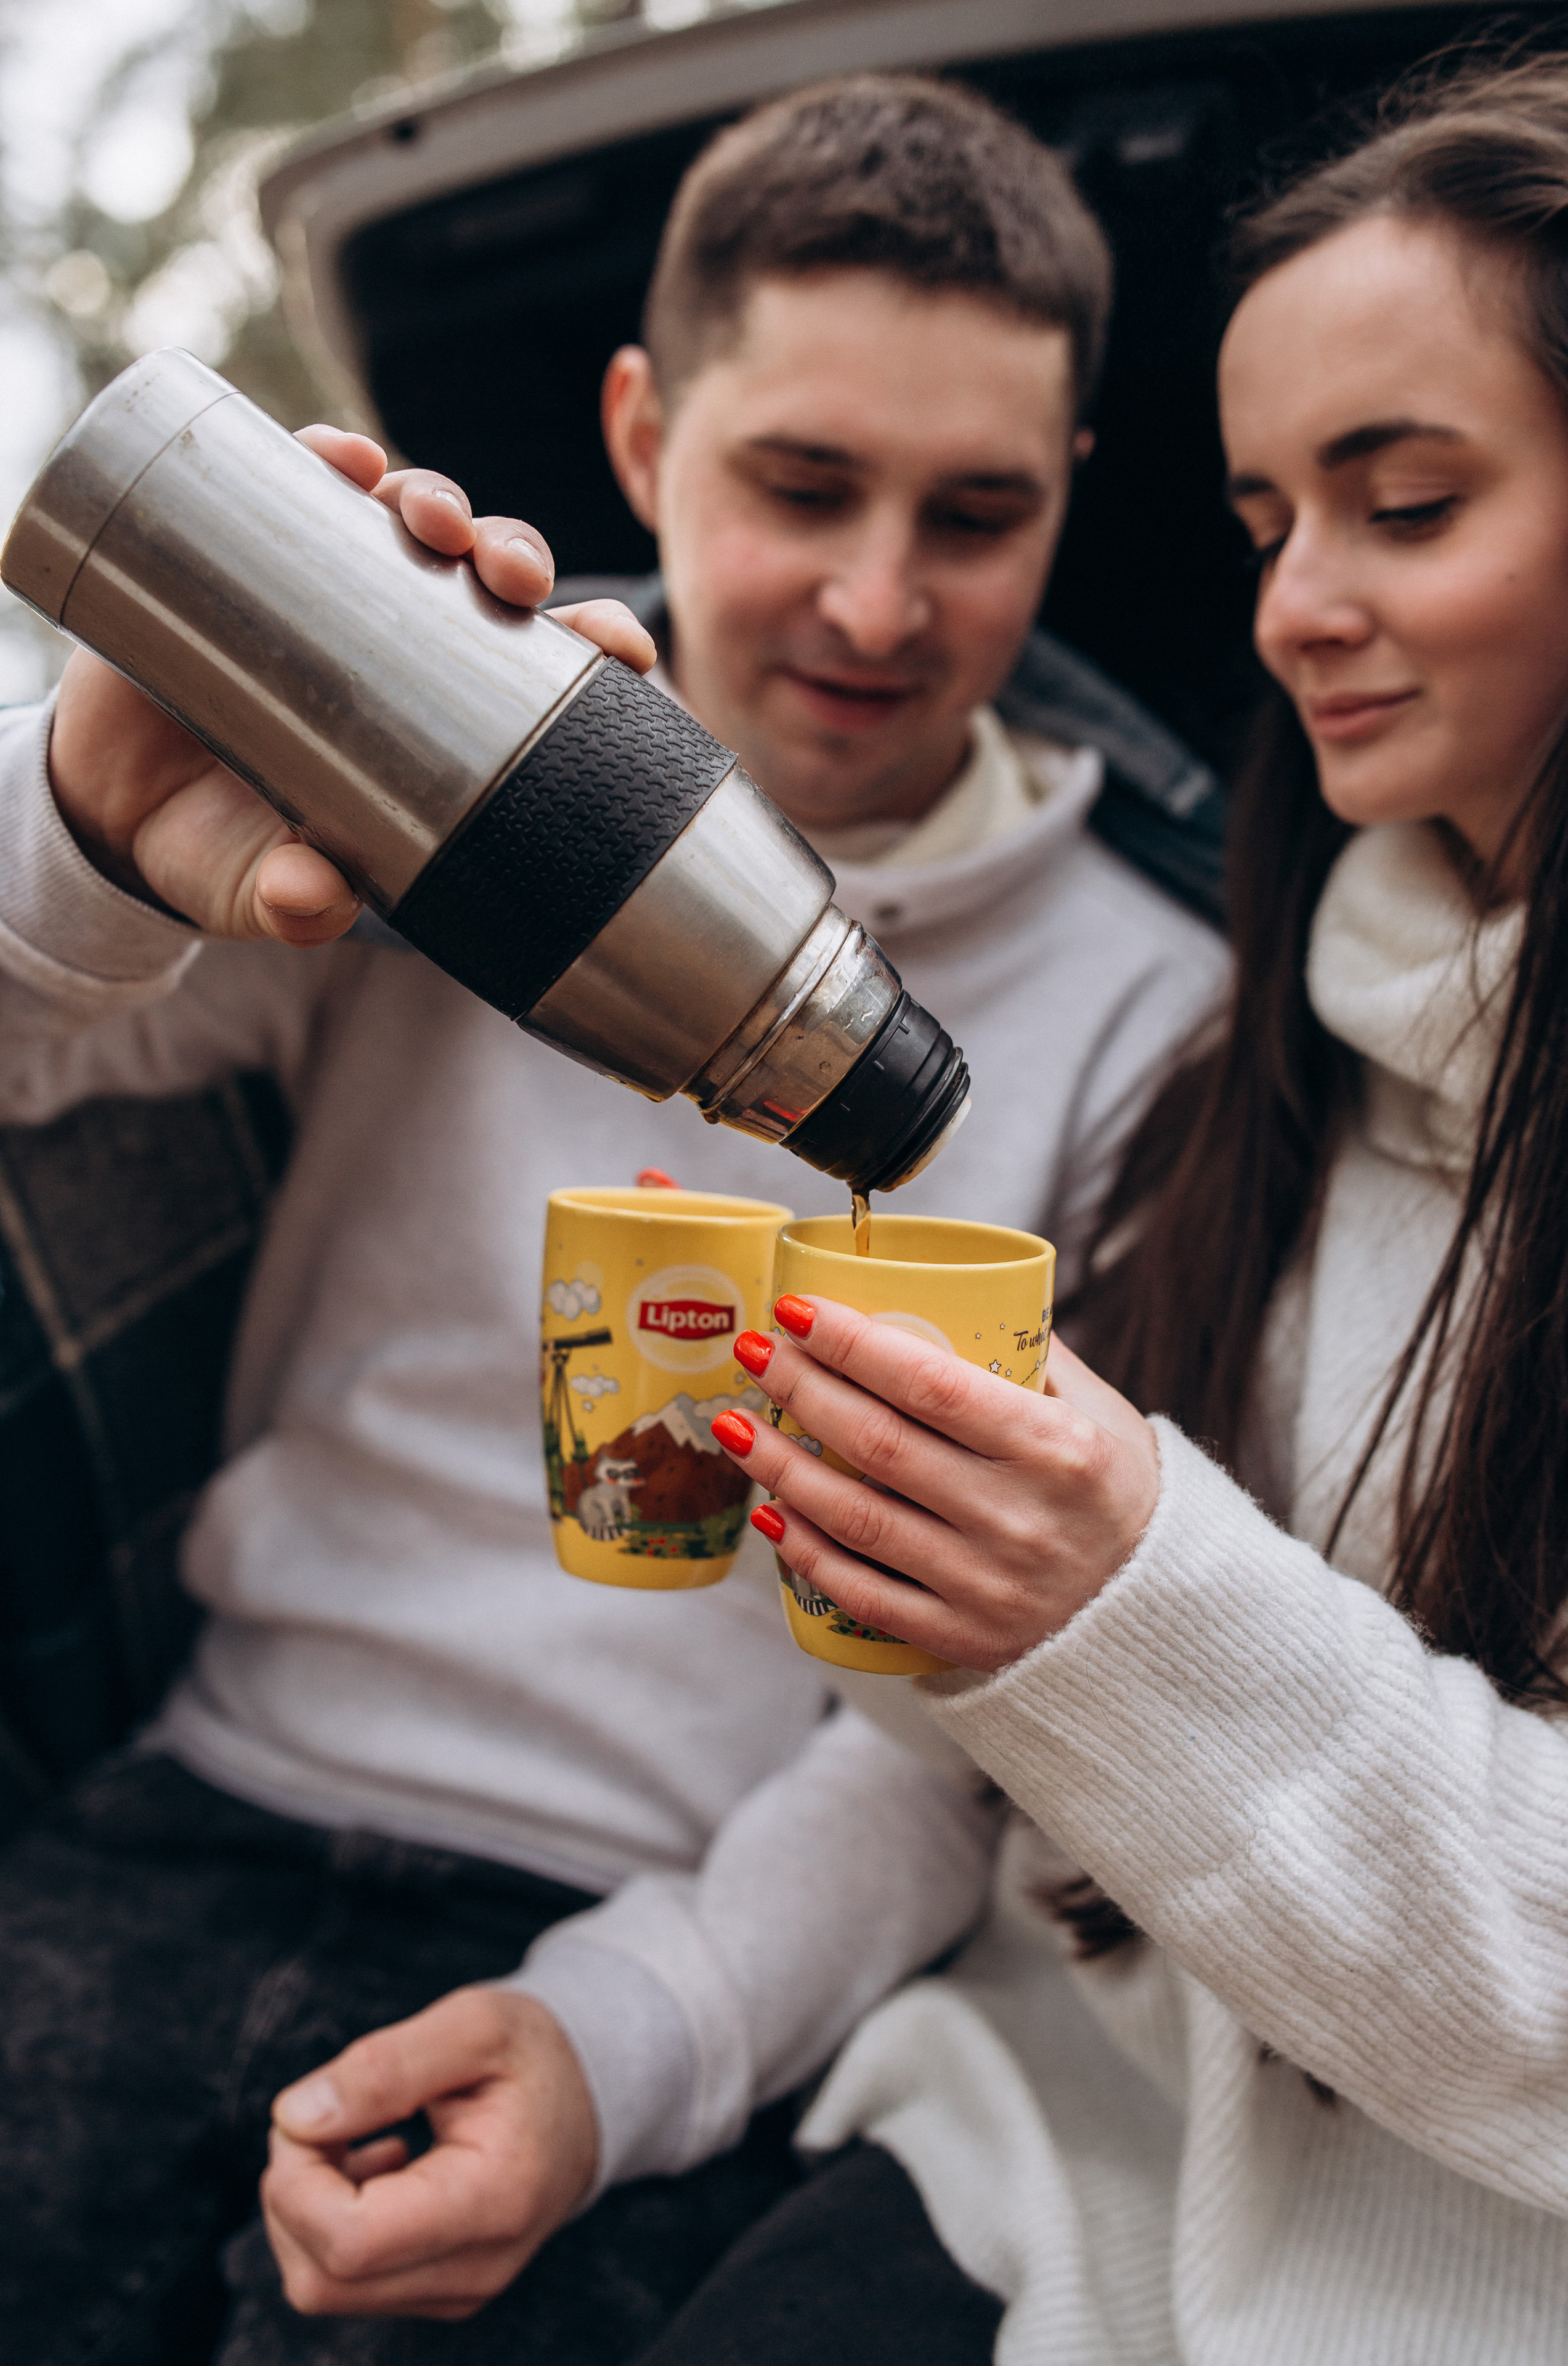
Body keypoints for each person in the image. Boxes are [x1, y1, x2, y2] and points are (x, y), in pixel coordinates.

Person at [0, 75, 1227, 2364]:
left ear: (1070, 499)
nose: (879, 596)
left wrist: (630, 2041)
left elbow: (981, 1733)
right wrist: (77, 818)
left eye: (973, 512)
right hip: (185, 1816)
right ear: (645, 435)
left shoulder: (1171, 1016)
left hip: (661, 1943)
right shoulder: (427, 746)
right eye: (801, 484)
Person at [661, 52, 1568, 2366]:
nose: (1292, 612)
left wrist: (1132, 1596)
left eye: (1407, 504)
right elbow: (981, 1786)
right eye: (1269, 522)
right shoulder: (1271, 1056)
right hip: (1022, 2135)